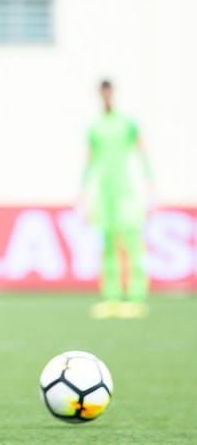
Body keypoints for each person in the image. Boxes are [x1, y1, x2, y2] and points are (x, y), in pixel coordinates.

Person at [82, 80, 153, 320]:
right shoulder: (95, 126)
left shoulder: (127, 123)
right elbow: (90, 159)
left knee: (132, 244)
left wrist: (150, 180)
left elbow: (142, 151)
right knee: (108, 246)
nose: (106, 96)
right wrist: (83, 190)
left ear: (113, 93)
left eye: (109, 92)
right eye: (103, 92)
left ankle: (136, 297)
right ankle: (111, 297)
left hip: (126, 191)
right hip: (104, 193)